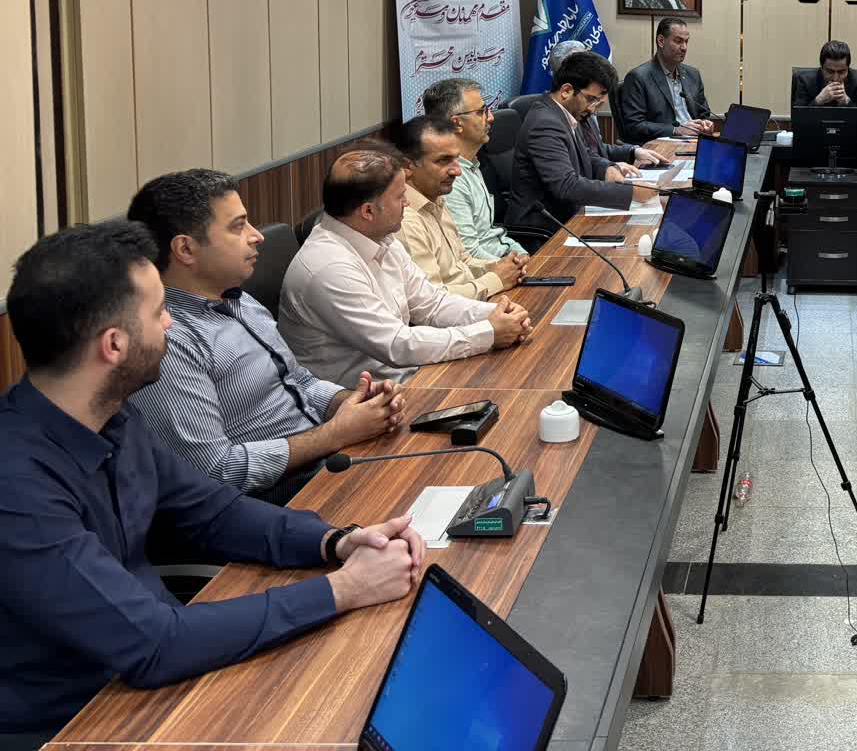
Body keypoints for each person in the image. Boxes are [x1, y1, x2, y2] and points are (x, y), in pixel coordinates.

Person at [0, 221, 423, 746]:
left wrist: (336, 542)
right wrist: (346, 588)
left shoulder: (111, 417)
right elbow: (153, 642)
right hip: (80, 726)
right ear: (114, 344)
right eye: (159, 312)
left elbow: (214, 511)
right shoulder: (16, 487)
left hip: (163, 683)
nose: (171, 324)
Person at [123, 170, 406, 502]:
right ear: (186, 249)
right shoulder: (169, 342)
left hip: (332, 462)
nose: (256, 236)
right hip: (283, 500)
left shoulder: (240, 300)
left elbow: (300, 383)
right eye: (238, 227)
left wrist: (352, 402)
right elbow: (215, 470)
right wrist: (334, 434)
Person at [279, 144, 531, 387]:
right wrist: (488, 333)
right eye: (400, 196)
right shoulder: (329, 268)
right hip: (364, 399)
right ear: (368, 211)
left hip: (411, 378)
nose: (407, 203)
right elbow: (397, 345)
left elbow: (431, 304)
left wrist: (495, 314)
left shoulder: (379, 237)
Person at [511, 50, 665, 243]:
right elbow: (567, 186)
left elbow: (585, 154)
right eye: (591, 99)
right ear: (566, 91)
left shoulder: (564, 114)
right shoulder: (545, 123)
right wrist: (632, 192)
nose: (593, 109)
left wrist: (607, 168)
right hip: (544, 229)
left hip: (569, 215)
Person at [394, 115, 526, 301]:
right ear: (407, 166)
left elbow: (463, 262)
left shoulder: (437, 198)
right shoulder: (404, 219)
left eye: (456, 159)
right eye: (443, 160)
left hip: (472, 304)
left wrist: (501, 266)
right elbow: (432, 300)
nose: (457, 171)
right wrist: (495, 280)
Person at [421, 77, 528, 260]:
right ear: (457, 123)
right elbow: (469, 253)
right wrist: (513, 266)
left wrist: (522, 255)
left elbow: (492, 235)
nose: (491, 118)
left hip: (504, 260)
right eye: (481, 112)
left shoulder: (473, 164)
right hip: (489, 271)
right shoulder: (451, 180)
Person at [618, 16, 715, 144]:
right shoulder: (638, 77)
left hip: (694, 141)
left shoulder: (693, 74)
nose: (684, 47)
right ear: (661, 41)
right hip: (661, 145)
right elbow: (635, 125)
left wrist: (705, 124)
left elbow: (704, 114)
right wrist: (676, 130)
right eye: (678, 41)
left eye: (686, 42)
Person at [791, 39, 857, 108]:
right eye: (830, 71)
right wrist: (818, 100)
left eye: (841, 72)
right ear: (821, 67)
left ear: (848, 68)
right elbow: (798, 118)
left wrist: (846, 101)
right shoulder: (805, 81)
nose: (835, 78)